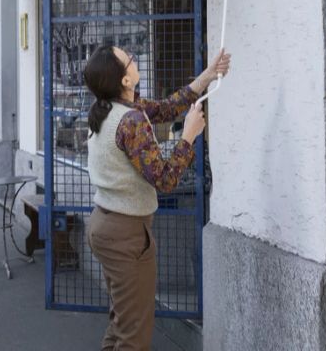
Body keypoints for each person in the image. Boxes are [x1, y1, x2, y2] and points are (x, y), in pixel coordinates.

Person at [83, 45, 231, 351]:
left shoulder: (113, 109)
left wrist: (207, 76)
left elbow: (166, 107)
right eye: (130, 60)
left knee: (122, 323)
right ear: (124, 80)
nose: (135, 59)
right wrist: (188, 136)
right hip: (126, 235)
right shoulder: (131, 120)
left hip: (106, 227)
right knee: (133, 336)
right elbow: (165, 180)